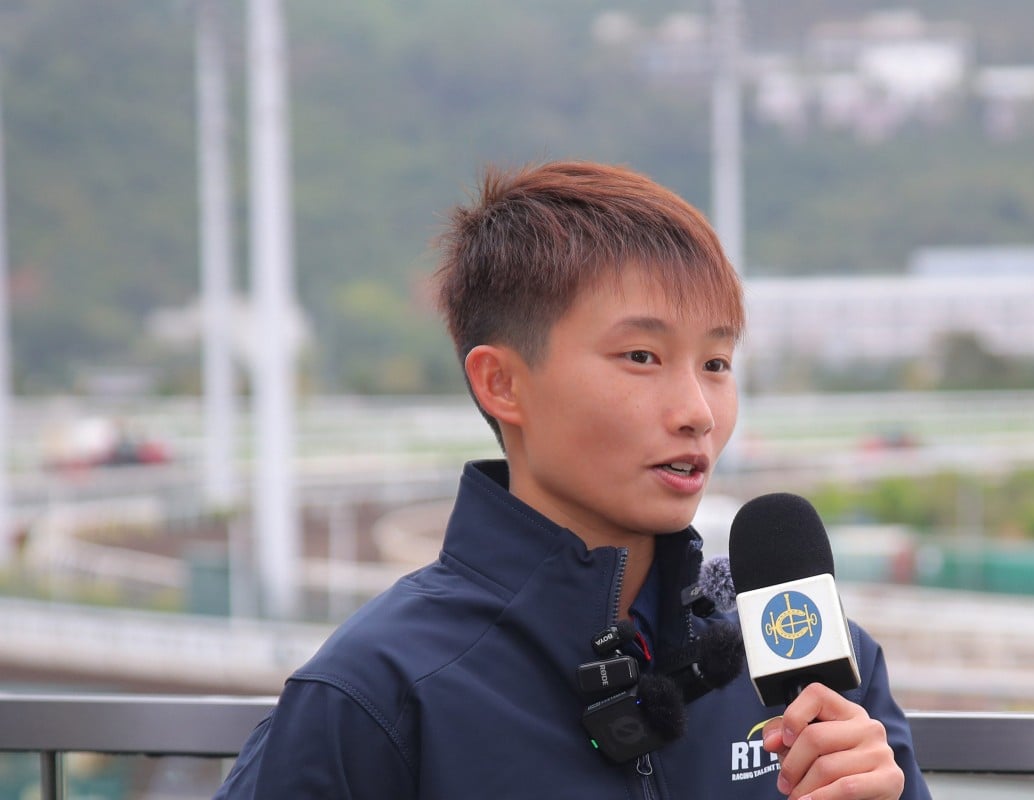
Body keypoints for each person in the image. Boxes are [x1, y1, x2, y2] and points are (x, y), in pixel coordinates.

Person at [214, 160, 930, 799]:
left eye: (716, 363)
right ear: (502, 383)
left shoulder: (816, 661)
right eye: (643, 357)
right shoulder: (377, 693)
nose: (697, 413)